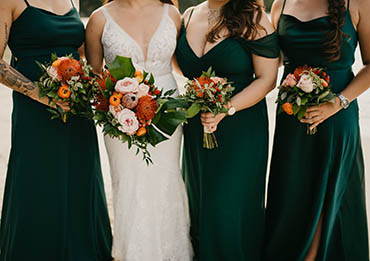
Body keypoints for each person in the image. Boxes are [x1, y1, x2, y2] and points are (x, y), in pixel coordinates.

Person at [0, 0, 113, 260]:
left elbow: (81, 51)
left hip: (76, 105)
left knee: (80, 173)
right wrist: (39, 94)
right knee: (37, 177)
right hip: (34, 108)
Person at [85, 0, 193, 260]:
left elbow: (180, 64)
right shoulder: (99, 19)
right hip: (120, 113)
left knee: (166, 178)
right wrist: (119, 106)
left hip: (167, 110)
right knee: (129, 181)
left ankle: (173, 251)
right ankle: (134, 252)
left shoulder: (173, 14)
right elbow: (95, 76)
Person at [264, 0, 370, 260]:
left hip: (336, 117)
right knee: (292, 195)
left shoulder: (358, 3)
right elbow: (269, 62)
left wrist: (337, 103)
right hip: (291, 120)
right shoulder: (281, 4)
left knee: (327, 197)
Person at [175, 0, 279, 259]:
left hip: (240, 127)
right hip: (197, 125)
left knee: (229, 205)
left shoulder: (253, 17)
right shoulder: (188, 15)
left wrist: (226, 108)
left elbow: (267, 79)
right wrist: (201, 92)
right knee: (201, 200)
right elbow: (180, 64)